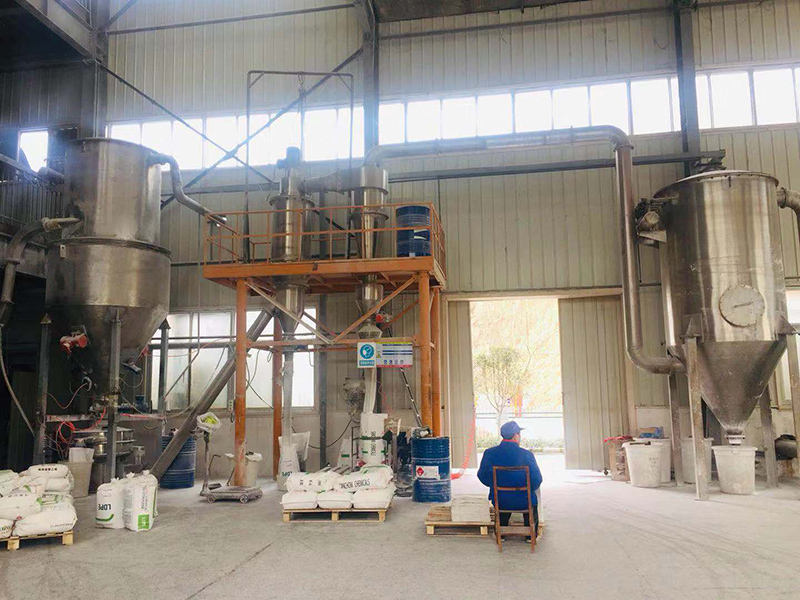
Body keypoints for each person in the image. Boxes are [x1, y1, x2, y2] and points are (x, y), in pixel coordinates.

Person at [477, 421, 543, 537]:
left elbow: (482, 476)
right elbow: (537, 479)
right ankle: (530, 534)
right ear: (516, 436)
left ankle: (501, 533)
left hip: (500, 500)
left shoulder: (489, 453)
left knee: (503, 497)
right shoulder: (526, 455)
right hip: (524, 500)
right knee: (532, 497)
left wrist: (494, 485)